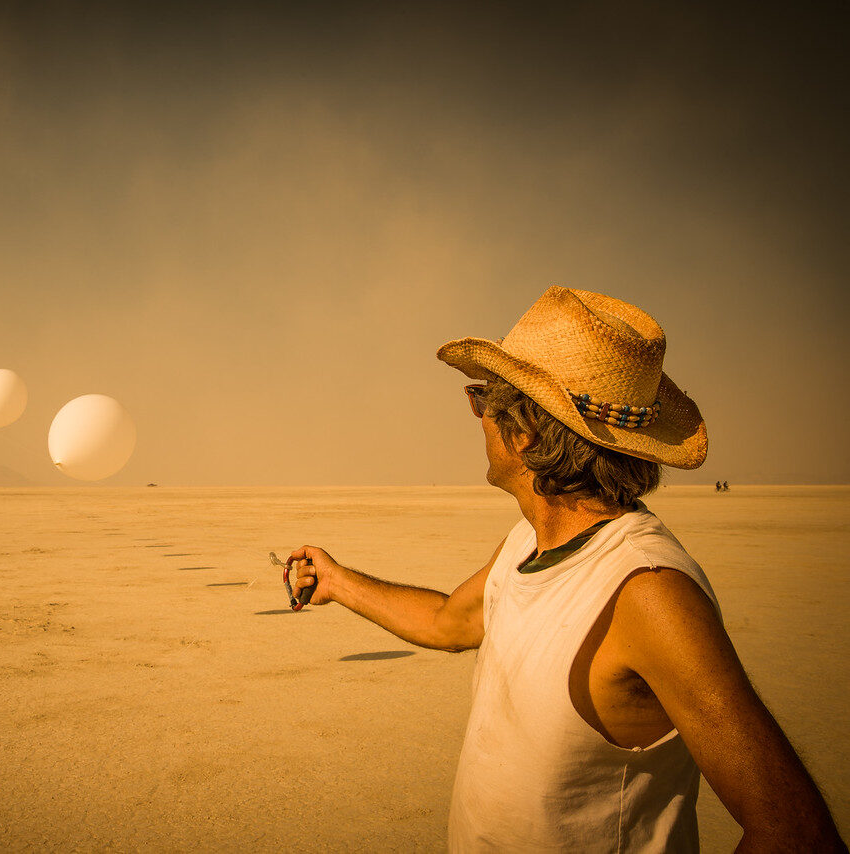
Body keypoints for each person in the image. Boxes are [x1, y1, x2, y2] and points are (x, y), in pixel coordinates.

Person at [288, 287, 843, 852]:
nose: (476, 417)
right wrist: (336, 580)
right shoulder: (530, 541)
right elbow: (447, 622)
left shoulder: (646, 591)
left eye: (482, 400)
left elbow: (795, 833)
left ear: (522, 430)